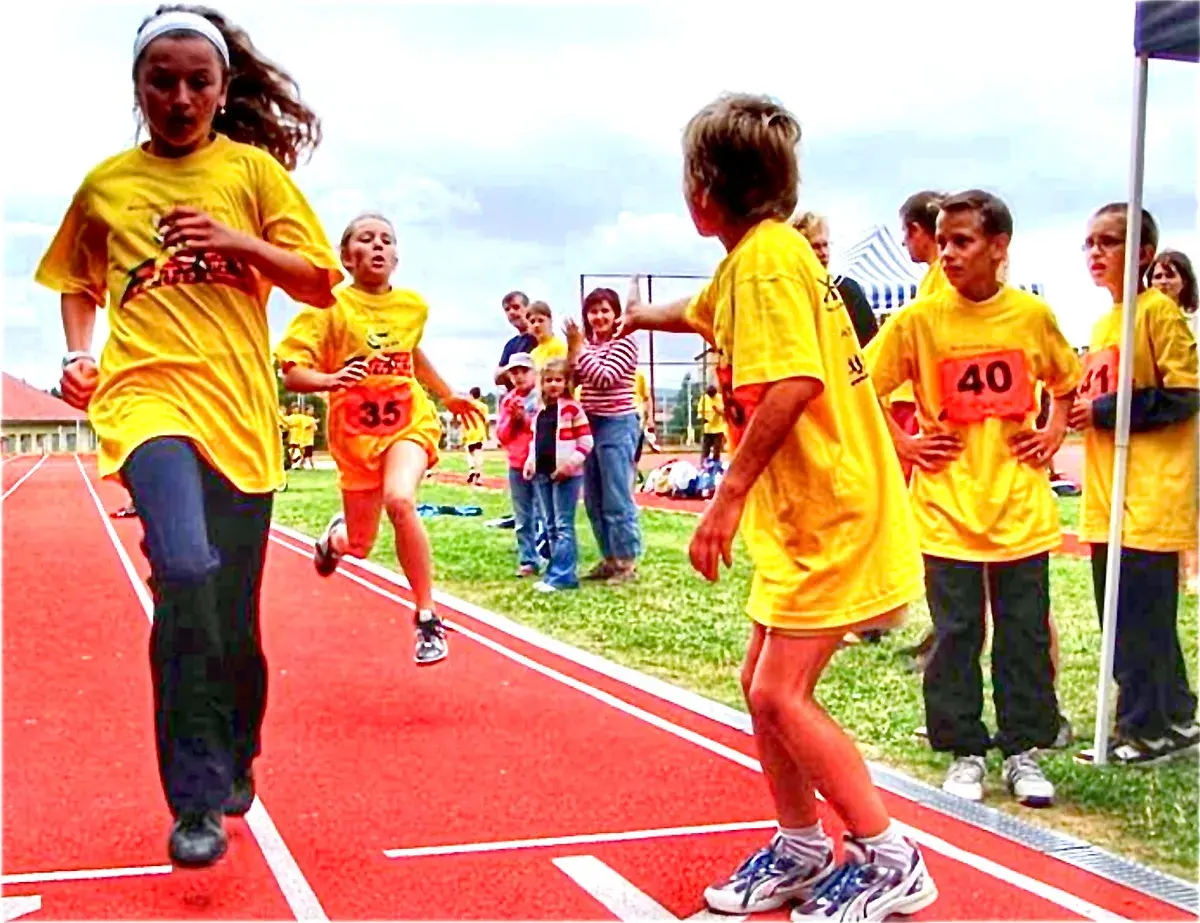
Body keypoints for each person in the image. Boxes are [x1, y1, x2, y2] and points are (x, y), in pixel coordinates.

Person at [36, 4, 343, 867]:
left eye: (196, 82)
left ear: (222, 87)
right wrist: (77, 351)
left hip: (239, 415)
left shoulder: (250, 174)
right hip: (145, 400)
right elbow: (75, 279)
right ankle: (195, 797)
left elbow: (321, 281)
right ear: (137, 87)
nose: (178, 97)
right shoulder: (106, 186)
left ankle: (238, 740)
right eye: (160, 82)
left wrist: (235, 240)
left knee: (232, 614)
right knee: (182, 570)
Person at [620, 93, 936, 921]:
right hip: (811, 514)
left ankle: (888, 854)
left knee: (779, 694)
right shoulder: (758, 260)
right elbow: (694, 313)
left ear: (703, 192)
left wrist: (724, 502)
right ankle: (800, 844)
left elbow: (795, 381)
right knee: (758, 683)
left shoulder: (764, 264)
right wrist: (626, 319)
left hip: (833, 508)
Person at [868, 190, 1079, 807]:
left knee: (1023, 635)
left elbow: (1065, 380)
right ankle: (964, 751)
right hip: (945, 509)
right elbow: (864, 384)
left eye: (962, 241)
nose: (949, 253)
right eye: (942, 240)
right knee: (957, 634)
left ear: (998, 246)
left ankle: (1022, 750)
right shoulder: (919, 321)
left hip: (1019, 508)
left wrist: (1055, 428)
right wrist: (904, 444)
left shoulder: (1032, 316)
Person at [276, 211, 485, 666]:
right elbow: (292, 373)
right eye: (366, 239)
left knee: (401, 500)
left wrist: (447, 395)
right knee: (361, 544)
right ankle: (334, 541)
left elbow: (410, 352)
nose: (377, 246)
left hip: (408, 422)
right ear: (346, 256)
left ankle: (427, 618)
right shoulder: (326, 308)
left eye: (386, 240)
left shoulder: (411, 306)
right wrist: (330, 379)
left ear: (396, 256)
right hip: (354, 435)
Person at [1071, 205, 1199, 765]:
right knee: (1126, 612)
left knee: (1136, 617)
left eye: (1110, 242)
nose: (1096, 253)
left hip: (1149, 494)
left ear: (1143, 254)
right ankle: (1175, 713)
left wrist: (1102, 410)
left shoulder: (1158, 314)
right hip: (1107, 493)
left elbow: (1186, 392)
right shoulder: (1104, 325)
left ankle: (1142, 726)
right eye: (1090, 243)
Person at [565, 287, 644, 584]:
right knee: (594, 498)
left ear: (615, 314)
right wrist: (574, 351)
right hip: (590, 422)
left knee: (616, 496)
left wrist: (578, 349)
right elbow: (573, 380)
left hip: (617, 423)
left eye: (604, 311)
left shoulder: (625, 342)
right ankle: (609, 558)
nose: (598, 317)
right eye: (593, 311)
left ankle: (626, 561)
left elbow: (604, 377)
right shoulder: (586, 344)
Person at [1148, 249, 1199, 593]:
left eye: (1171, 275)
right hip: (1163, 423)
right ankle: (1182, 569)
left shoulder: (1190, 322)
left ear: (1186, 281)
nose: (1163, 282)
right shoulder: (1146, 317)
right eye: (1157, 276)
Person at [522, 359, 592, 592]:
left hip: (565, 475)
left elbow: (585, 442)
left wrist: (570, 465)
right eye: (549, 380)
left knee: (563, 525)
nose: (553, 385)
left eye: (558, 380)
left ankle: (565, 574)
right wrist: (530, 462)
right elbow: (535, 441)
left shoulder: (572, 409)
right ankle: (555, 571)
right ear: (542, 383)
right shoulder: (539, 410)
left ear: (566, 383)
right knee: (550, 525)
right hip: (542, 473)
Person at [792, 211, 878, 346]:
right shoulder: (791, 293)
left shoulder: (847, 290)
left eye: (825, 245)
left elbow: (871, 342)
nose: (824, 253)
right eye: (815, 246)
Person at [495, 353, 541, 576]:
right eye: (515, 372)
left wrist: (524, 418)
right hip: (517, 463)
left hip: (541, 462)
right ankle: (528, 559)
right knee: (523, 516)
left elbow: (544, 427)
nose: (520, 376)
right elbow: (502, 435)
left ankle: (551, 556)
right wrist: (513, 419)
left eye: (524, 371)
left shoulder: (542, 398)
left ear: (534, 373)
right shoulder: (508, 400)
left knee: (547, 514)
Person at [493, 290, 537, 388]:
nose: (511, 312)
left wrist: (508, 370)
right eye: (507, 309)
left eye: (516, 307)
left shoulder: (539, 339)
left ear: (528, 309)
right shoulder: (511, 344)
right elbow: (497, 378)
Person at [527, 300, 568, 369]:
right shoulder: (533, 354)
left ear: (550, 321)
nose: (536, 325)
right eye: (532, 321)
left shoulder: (559, 347)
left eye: (541, 320)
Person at [462, 386, 490, 485]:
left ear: (471, 395)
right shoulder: (483, 407)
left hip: (469, 432)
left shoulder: (466, 406)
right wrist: (487, 433)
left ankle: (471, 468)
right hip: (480, 432)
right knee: (478, 454)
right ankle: (478, 476)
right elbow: (486, 421)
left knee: (469, 453)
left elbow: (463, 420)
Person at [697, 384, 726, 464]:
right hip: (707, 429)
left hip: (718, 429)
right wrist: (702, 418)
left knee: (717, 450)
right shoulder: (704, 398)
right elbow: (699, 412)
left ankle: (715, 465)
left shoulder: (720, 398)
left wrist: (717, 410)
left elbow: (724, 412)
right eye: (709, 395)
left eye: (712, 395)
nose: (711, 397)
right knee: (705, 450)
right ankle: (704, 465)